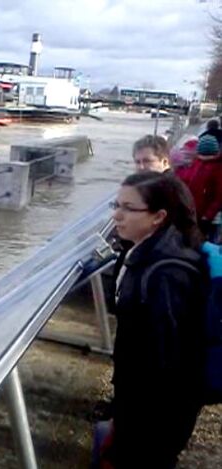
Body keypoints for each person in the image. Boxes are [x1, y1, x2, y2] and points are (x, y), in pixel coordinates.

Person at [100, 172, 208, 468]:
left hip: (155, 413)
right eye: (115, 204)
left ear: (159, 217)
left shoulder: (167, 273)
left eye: (128, 208)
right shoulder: (145, 252)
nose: (116, 215)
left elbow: (166, 361)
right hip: (141, 402)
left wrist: (132, 416)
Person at [175, 134, 222, 238]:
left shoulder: (218, 168)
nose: (204, 159)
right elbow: (188, 177)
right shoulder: (197, 162)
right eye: (201, 157)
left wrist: (207, 216)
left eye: (207, 158)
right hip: (191, 210)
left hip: (205, 216)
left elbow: (219, 197)